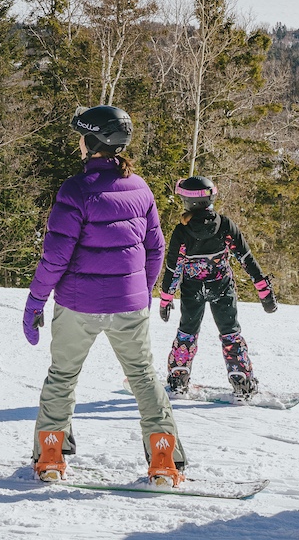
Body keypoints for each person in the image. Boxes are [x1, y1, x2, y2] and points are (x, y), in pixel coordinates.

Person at [25, 105, 186, 486]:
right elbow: (156, 249)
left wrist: (35, 301)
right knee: (144, 378)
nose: (78, 143)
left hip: (78, 305)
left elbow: (55, 255)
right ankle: (163, 459)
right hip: (128, 305)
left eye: (82, 136)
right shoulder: (140, 187)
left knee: (62, 376)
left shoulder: (75, 189)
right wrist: (141, 292)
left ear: (92, 142)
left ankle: (50, 454)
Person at [158, 176, 277, 400]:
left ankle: (178, 378)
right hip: (222, 287)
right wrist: (264, 291)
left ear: (186, 201)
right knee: (230, 332)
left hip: (193, 290)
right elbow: (246, 259)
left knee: (187, 332)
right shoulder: (225, 224)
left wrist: (166, 299)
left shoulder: (181, 232)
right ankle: (242, 381)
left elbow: (174, 269)